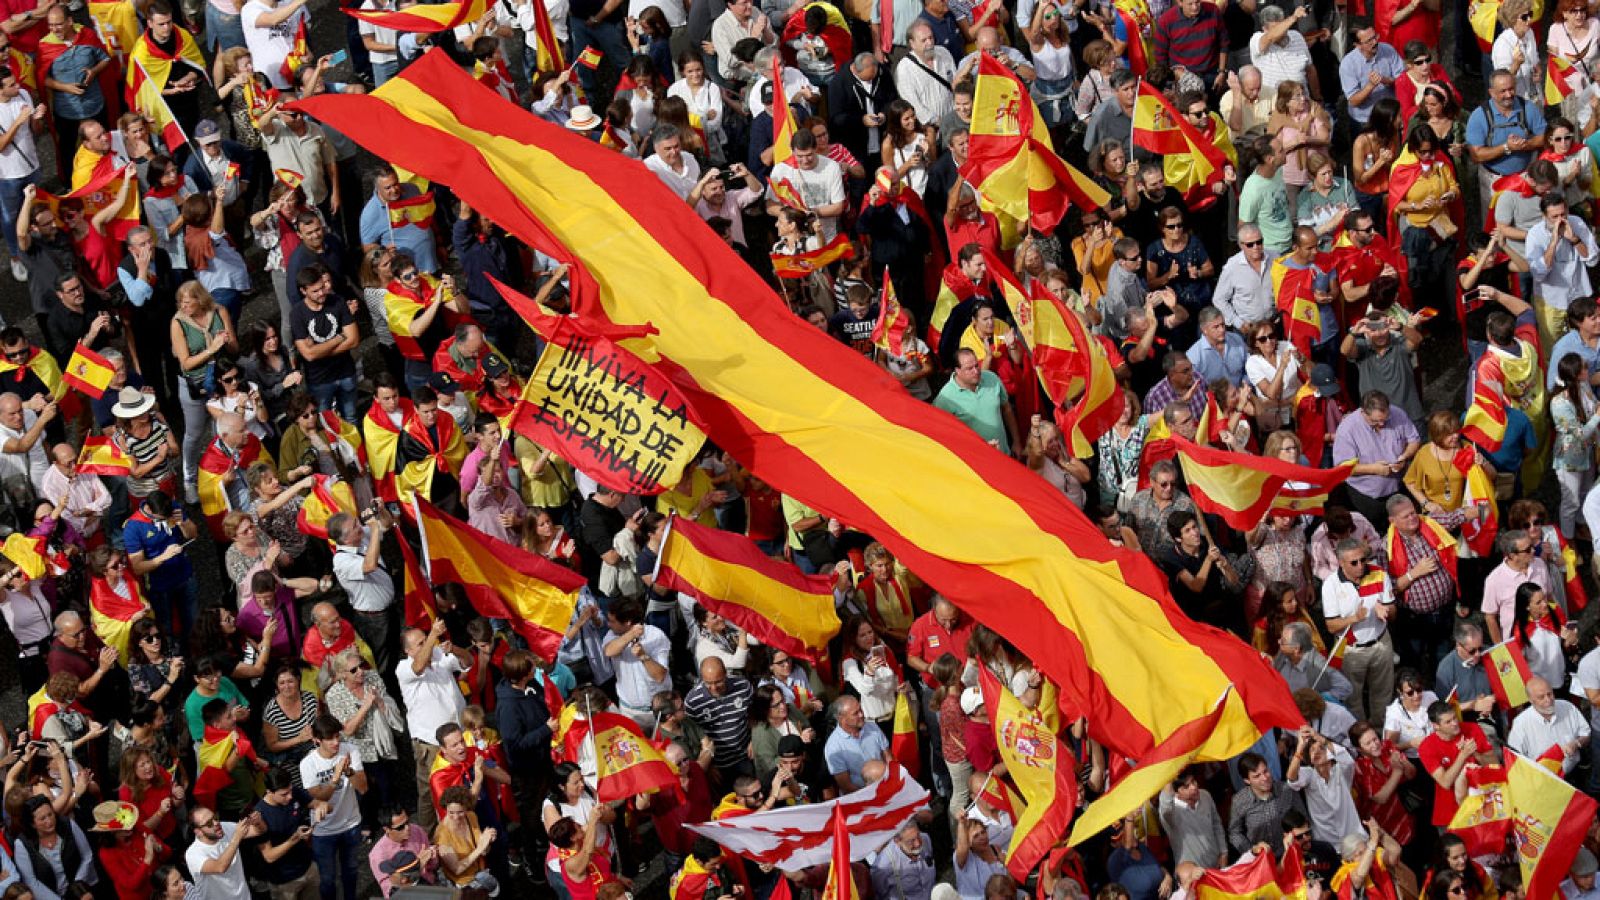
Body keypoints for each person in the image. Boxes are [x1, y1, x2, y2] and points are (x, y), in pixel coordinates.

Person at [298, 715, 366, 900]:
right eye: (329, 739)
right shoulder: (308, 764)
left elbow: (363, 787)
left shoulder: (350, 750)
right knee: (327, 880)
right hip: (323, 831)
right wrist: (336, 778)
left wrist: (349, 771)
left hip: (351, 824)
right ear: (317, 740)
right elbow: (320, 799)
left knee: (351, 872)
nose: (336, 742)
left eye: (337, 736)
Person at [934, 348, 1021, 455]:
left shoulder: (992, 378)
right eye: (969, 368)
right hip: (976, 463)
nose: (976, 371)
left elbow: (1007, 409)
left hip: (1003, 455)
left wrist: (1017, 442)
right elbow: (942, 436)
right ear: (957, 370)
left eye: (976, 366)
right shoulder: (945, 399)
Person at [1506, 675, 1590, 775]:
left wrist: (1577, 743)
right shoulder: (1521, 723)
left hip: (1573, 774)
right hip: (1542, 781)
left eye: (1550, 694)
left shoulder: (1568, 707)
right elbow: (1514, 759)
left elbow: (1586, 734)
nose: (1548, 700)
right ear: (1531, 700)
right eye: (1541, 697)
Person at [185, 807, 262, 900]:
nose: (216, 823)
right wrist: (236, 837)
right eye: (209, 823)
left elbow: (258, 831)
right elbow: (220, 867)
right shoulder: (193, 854)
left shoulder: (224, 827)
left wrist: (258, 822)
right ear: (198, 832)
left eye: (215, 817)